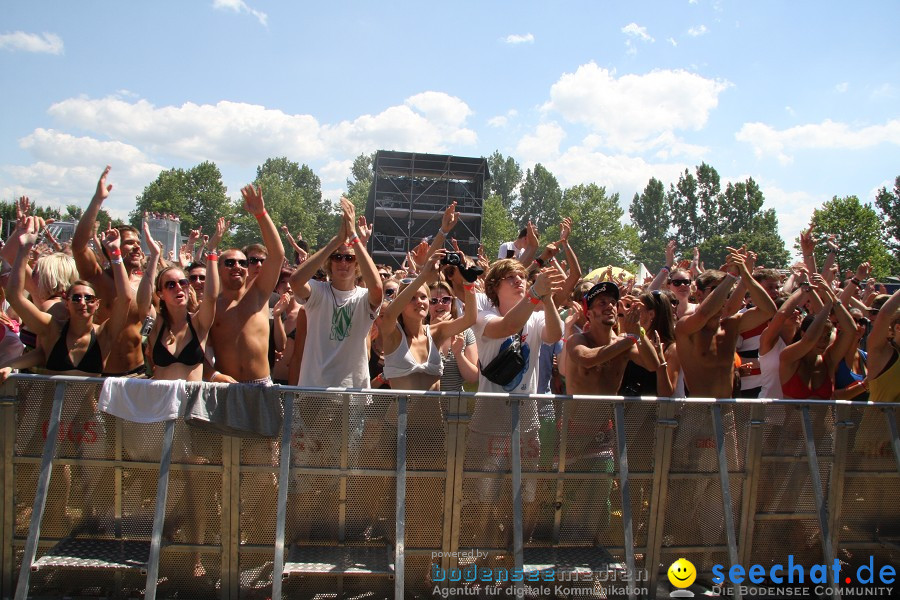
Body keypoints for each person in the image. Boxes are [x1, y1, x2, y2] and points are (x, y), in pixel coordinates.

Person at [467, 258, 563, 546]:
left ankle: (512, 554)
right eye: (511, 277)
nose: (520, 281)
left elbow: (556, 335)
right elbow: (508, 325)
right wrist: (536, 295)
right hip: (490, 417)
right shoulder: (483, 315)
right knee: (483, 496)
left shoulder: (534, 317)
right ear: (495, 287)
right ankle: (482, 554)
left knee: (526, 494)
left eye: (522, 276)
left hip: (527, 417)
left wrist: (547, 299)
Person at [1, 217, 132, 378]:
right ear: (66, 302)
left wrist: (115, 255)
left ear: (97, 304)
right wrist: (24, 248)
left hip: (87, 404)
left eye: (89, 298)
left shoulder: (103, 334)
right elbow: (14, 297)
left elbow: (125, 298)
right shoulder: (51, 329)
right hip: (51, 403)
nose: (82, 302)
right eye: (76, 298)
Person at [290, 197, 383, 387]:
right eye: (337, 257)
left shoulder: (364, 298)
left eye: (349, 258)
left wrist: (354, 238)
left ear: (357, 264)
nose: (342, 262)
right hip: (314, 389)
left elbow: (377, 289)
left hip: (352, 392)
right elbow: (296, 281)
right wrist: (337, 240)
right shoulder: (317, 292)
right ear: (329, 262)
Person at [71, 166, 146, 376]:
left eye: (138, 243)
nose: (137, 247)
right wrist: (97, 200)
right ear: (112, 247)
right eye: (130, 243)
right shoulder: (97, 279)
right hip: (101, 377)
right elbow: (78, 246)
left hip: (137, 375)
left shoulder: (145, 284)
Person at [208, 188, 285, 384]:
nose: (237, 267)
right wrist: (214, 375)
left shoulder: (259, 295)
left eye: (243, 263)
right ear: (218, 268)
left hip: (261, 387)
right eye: (230, 263)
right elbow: (194, 350)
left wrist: (261, 214)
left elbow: (277, 254)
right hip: (226, 389)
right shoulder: (211, 306)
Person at [379, 251, 475, 392]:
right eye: (412, 297)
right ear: (401, 303)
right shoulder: (393, 334)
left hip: (434, 414)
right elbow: (388, 315)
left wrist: (468, 282)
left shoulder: (436, 332)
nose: (419, 302)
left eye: (423, 297)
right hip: (401, 413)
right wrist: (423, 275)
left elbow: (470, 319)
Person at [427, 280, 478, 391]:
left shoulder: (465, 332)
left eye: (445, 300)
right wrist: (432, 332)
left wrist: (459, 354)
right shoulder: (418, 332)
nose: (440, 304)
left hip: (456, 404)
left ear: (452, 302)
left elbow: (473, 377)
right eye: (433, 301)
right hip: (426, 404)